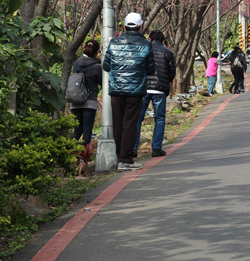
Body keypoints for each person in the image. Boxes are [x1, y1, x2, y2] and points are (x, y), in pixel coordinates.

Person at [102, 12, 155, 171]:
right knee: (130, 123)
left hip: (116, 90)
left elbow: (106, 66)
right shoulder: (146, 44)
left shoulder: (114, 43)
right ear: (140, 27)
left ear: (124, 26)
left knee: (118, 123)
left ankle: (119, 157)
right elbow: (151, 69)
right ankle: (126, 159)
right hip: (135, 90)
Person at [136, 30, 176, 158]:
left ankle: (133, 148)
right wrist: (165, 82)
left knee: (138, 118)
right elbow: (172, 73)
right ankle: (156, 148)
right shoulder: (168, 52)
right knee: (159, 119)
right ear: (163, 40)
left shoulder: (142, 49)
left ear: (149, 38)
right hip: (160, 89)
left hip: (143, 89)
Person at [70, 40, 102, 146]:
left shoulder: (77, 64)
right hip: (89, 102)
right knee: (87, 134)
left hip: (75, 101)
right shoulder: (97, 67)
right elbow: (102, 82)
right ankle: (82, 158)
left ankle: (72, 156)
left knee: (77, 132)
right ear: (97, 51)